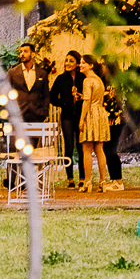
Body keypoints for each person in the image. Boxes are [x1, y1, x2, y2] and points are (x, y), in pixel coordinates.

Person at [49, 51, 85, 187]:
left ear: (77, 63)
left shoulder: (83, 77)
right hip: (67, 117)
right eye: (66, 61)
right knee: (69, 147)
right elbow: (52, 97)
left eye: (71, 61)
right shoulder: (60, 79)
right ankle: (70, 178)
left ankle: (82, 178)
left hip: (82, 116)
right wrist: (64, 102)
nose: (67, 63)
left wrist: (81, 98)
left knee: (82, 147)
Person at [92, 57, 125, 191]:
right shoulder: (104, 81)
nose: (101, 66)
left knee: (111, 150)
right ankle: (114, 179)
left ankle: (118, 180)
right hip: (107, 119)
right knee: (107, 149)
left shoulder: (115, 82)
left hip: (115, 119)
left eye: (103, 64)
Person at [78, 59, 111, 192]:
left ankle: (87, 181)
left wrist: (81, 120)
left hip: (91, 113)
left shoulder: (87, 81)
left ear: (91, 65)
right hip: (101, 113)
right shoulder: (99, 80)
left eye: (83, 63)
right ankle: (103, 181)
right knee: (99, 148)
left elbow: (87, 102)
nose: (80, 65)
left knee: (86, 148)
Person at [6, 42, 51, 122]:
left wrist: (43, 112)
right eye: (21, 52)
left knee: (36, 135)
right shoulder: (13, 72)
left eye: (25, 51)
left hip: (37, 115)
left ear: (32, 54)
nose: (22, 54)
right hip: (18, 115)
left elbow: (46, 96)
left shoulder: (42, 73)